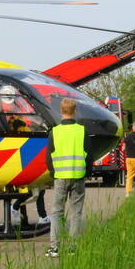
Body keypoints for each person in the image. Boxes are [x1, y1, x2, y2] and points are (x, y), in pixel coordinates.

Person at [45, 98, 93, 258]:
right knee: (76, 212)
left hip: (60, 177)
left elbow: (49, 157)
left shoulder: (55, 132)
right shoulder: (82, 130)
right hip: (78, 176)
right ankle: (73, 247)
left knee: (57, 212)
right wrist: (87, 173)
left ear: (61, 111)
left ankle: (54, 248)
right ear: (75, 111)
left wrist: (53, 173)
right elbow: (89, 155)